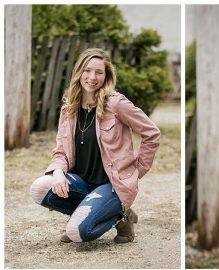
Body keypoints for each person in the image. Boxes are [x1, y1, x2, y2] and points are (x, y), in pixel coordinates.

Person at [29, 48, 160, 244]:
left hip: (112, 185)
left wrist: (136, 172)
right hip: (82, 183)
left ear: (106, 76)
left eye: (99, 72)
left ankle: (119, 216)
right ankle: (94, 214)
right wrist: (57, 172)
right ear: (79, 72)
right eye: (87, 70)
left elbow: (152, 132)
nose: (92, 77)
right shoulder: (68, 109)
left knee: (76, 234)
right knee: (39, 188)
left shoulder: (116, 104)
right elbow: (61, 151)